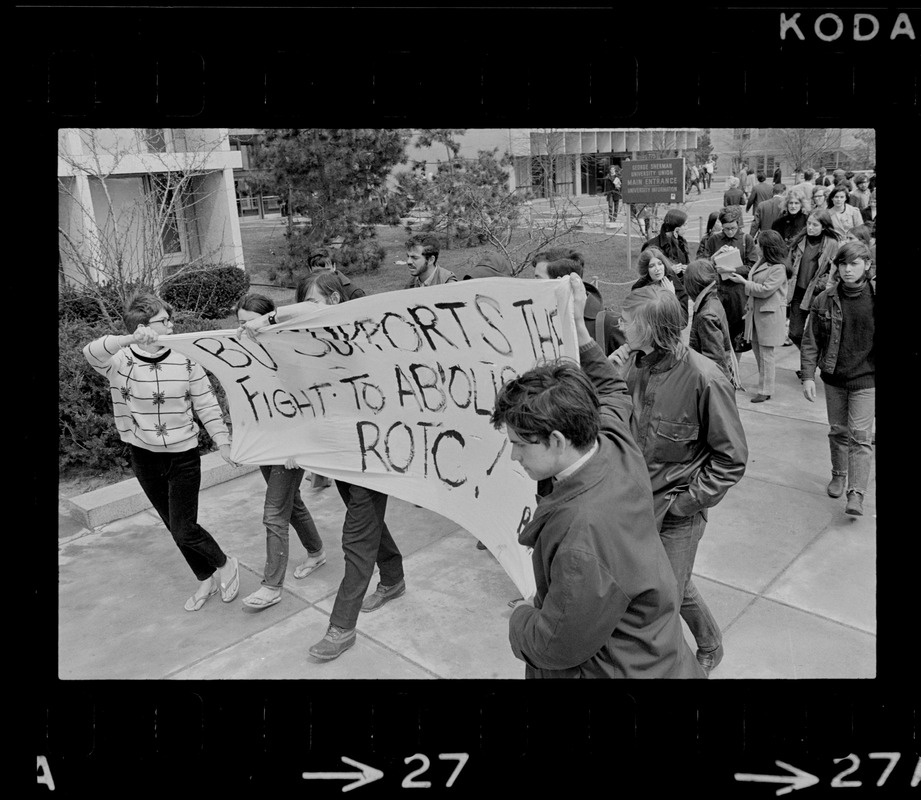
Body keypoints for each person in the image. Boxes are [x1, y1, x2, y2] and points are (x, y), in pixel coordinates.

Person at [491, 274, 705, 679]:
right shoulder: (611, 443)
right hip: (659, 654)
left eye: (520, 444)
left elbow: (555, 645)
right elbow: (612, 390)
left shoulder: (581, 539)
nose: (514, 456)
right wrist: (579, 330)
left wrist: (519, 619)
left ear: (556, 439)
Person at [610, 285, 748, 675]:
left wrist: (685, 503)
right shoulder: (628, 364)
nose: (619, 325)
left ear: (652, 328)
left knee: (670, 590)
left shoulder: (706, 378)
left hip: (676, 513)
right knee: (653, 585)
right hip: (632, 505)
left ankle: (705, 647)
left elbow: (731, 459)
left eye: (628, 321)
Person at [83, 293, 240, 612]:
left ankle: (225, 564)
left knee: (185, 527)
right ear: (144, 328)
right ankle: (205, 578)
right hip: (143, 457)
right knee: (174, 527)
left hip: (183, 457)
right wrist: (128, 338)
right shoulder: (120, 361)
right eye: (163, 321)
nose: (171, 324)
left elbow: (206, 403)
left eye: (170, 319)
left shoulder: (186, 358)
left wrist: (222, 441)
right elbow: (90, 352)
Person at [234, 294, 327, 611]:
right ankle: (316, 551)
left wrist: (299, 446)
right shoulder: (245, 353)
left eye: (249, 323)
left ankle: (271, 586)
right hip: (266, 444)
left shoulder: (291, 350)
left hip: (291, 446)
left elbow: (312, 401)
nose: (243, 329)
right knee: (292, 502)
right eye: (239, 324)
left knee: (274, 513)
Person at [800, 242, 875, 516]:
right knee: (838, 431)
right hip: (834, 378)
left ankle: (856, 493)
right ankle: (839, 474)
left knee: (861, 437)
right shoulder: (825, 299)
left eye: (854, 264)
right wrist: (808, 376)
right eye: (843, 264)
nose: (847, 269)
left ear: (866, 265)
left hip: (866, 380)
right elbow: (811, 341)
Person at [725, 230, 789, 402]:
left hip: (769, 315)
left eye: (759, 244)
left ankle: (766, 389)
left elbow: (765, 290)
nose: (756, 246)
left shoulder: (778, 268)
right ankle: (765, 384)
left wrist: (744, 282)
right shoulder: (763, 262)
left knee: (766, 354)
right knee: (757, 351)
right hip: (755, 314)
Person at [700, 205, 758, 359]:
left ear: (738, 224)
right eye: (726, 229)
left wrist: (732, 269)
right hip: (718, 292)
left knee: (737, 338)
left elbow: (752, 267)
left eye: (733, 228)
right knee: (717, 334)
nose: (730, 232)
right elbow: (702, 264)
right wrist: (715, 256)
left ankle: (735, 377)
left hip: (738, 294)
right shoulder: (714, 239)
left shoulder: (746, 240)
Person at [540, 255, 626, 356]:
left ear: (561, 282)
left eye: (539, 279)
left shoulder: (609, 323)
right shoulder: (541, 319)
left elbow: (631, 368)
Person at [786, 209, 840, 351]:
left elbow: (835, 269)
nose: (810, 227)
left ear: (824, 226)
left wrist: (822, 283)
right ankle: (808, 359)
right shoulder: (800, 240)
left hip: (817, 294)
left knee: (816, 334)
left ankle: (807, 367)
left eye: (815, 225)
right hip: (798, 292)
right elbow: (789, 263)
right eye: (809, 223)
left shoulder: (832, 243)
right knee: (794, 333)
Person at [682, 258, 737, 384]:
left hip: (714, 383)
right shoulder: (712, 298)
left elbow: (713, 360)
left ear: (692, 285)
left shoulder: (706, 315)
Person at [632, 247, 690, 327]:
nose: (657, 269)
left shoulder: (672, 281)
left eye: (660, 264)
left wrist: (672, 297)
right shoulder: (640, 289)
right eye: (652, 266)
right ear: (646, 269)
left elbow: (683, 322)